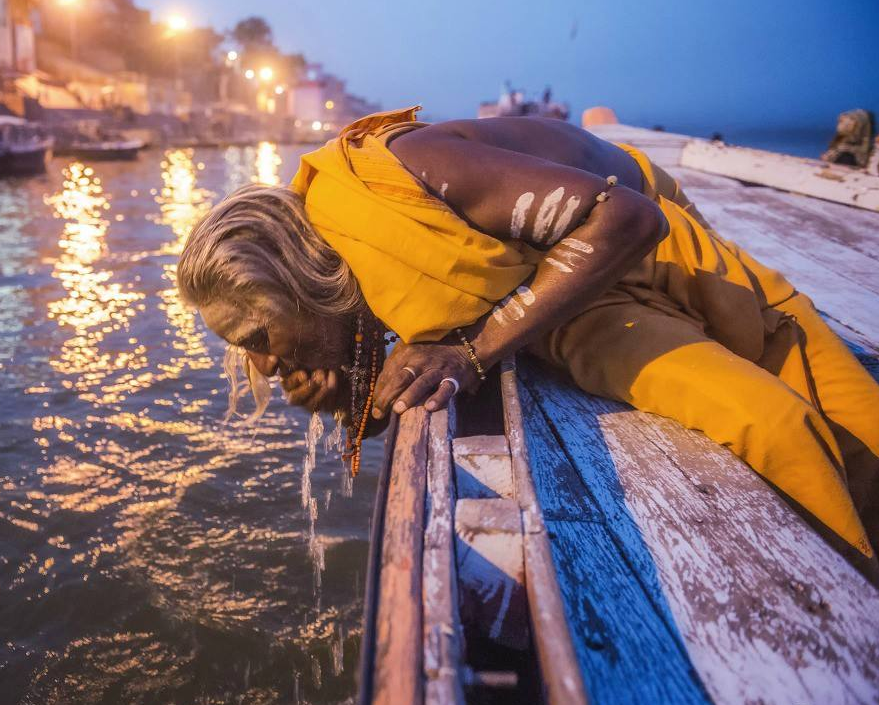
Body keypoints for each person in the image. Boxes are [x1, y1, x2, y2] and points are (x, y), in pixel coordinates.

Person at [176, 106, 879, 579]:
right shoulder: (353, 265)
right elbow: (411, 339)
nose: (262, 363)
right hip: (572, 296)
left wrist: (474, 352)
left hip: (648, 242)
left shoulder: (396, 171)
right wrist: (347, 398)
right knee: (779, 424)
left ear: (292, 278)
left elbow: (624, 218)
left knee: (854, 428)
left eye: (257, 336)